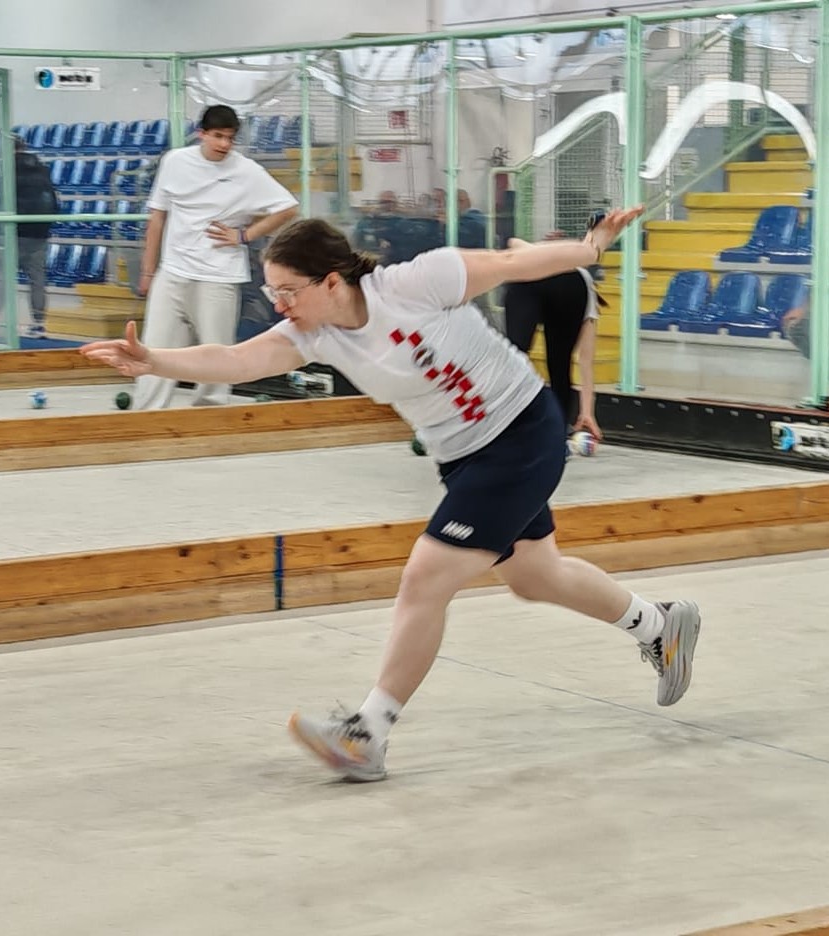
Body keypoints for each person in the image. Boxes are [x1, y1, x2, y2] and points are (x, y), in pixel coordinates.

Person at [80, 207, 701, 783]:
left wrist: (590, 248)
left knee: (425, 577)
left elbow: (512, 263)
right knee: (535, 576)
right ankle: (659, 624)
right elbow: (237, 360)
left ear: (331, 281)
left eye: (288, 291)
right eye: (272, 293)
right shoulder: (314, 335)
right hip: (462, 456)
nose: (279, 305)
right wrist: (154, 361)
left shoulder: (414, 283)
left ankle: (367, 734)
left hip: (520, 430)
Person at [134, 104, 298, 409]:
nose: (224, 144)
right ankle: (145, 416)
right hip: (172, 273)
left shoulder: (247, 171)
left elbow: (288, 208)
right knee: (153, 351)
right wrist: (148, 271)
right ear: (202, 134)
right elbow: (157, 218)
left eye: (230, 138)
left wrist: (244, 236)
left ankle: (211, 417)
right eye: (218, 136)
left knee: (217, 358)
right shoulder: (174, 161)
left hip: (219, 277)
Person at [503, 246, 606, 438]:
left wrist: (587, 413)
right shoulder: (585, 288)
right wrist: (586, 412)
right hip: (559, 284)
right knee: (557, 363)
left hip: (537, 280)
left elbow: (585, 362)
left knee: (518, 355)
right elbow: (585, 362)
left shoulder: (585, 290)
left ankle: (514, 423)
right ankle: (556, 430)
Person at [0, 136, 60, 340]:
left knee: (3, 279)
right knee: (37, 280)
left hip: (12, 232)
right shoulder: (41, 168)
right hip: (39, 233)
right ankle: (39, 323)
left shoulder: (6, 169)